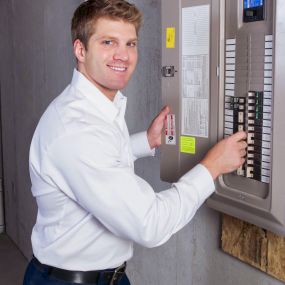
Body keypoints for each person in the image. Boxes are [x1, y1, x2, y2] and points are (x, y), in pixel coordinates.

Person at [23, 0, 247, 284]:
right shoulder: (76, 130)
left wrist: (148, 142)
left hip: (108, 276)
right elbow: (149, 224)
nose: (123, 55)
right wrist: (212, 167)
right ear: (80, 50)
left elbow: (100, 160)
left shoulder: (90, 109)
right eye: (108, 42)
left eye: (130, 44)